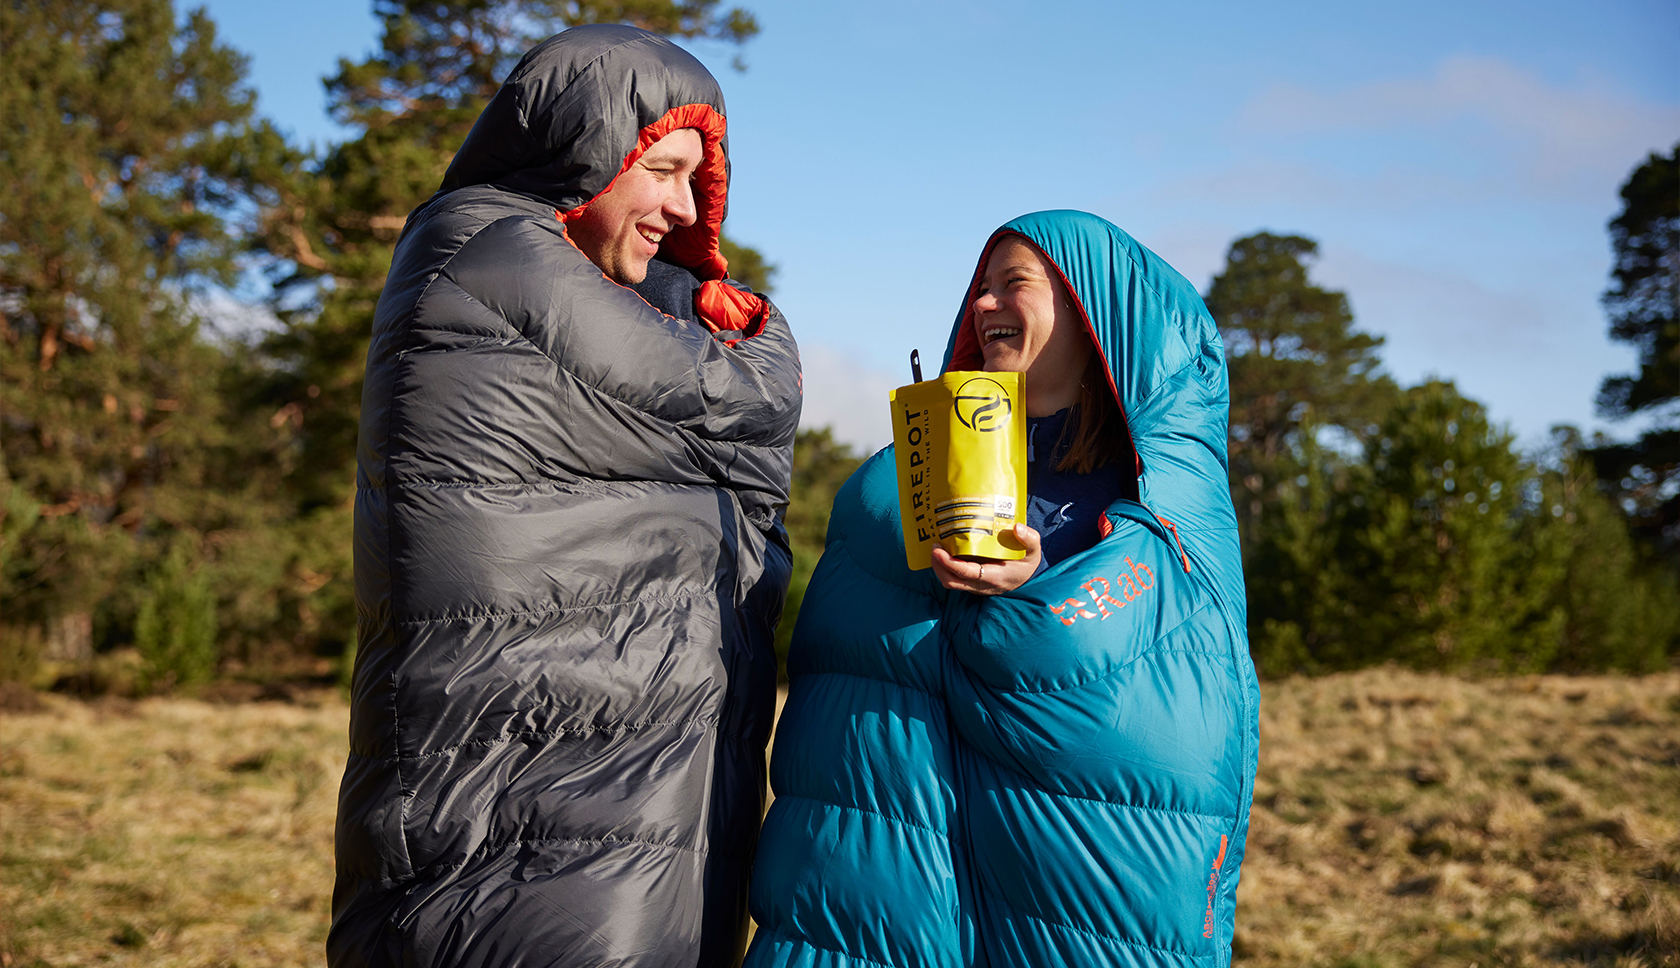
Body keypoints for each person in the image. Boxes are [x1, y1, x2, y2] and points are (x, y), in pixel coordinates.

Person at [330, 25, 801, 968]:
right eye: (663, 169)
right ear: (586, 152)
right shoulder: (484, 256)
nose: (682, 204)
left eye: (696, 180)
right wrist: (748, 334)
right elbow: (745, 394)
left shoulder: (573, 283)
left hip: (652, 820)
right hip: (526, 838)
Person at [744, 210, 1259, 967]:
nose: (982, 305)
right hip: (877, 903)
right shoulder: (909, 480)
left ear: (1092, 316)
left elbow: (1178, 714)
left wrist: (1039, 602)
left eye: (1012, 285)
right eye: (980, 289)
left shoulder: (1161, 508)